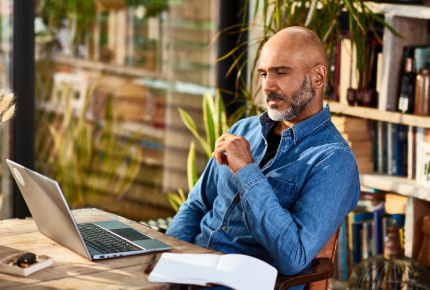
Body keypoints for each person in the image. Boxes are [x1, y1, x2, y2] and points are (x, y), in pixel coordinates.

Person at [166, 26, 360, 288]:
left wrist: (246, 169)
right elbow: (196, 206)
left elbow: (294, 256)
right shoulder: (242, 130)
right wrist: (169, 256)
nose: (267, 86)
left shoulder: (334, 160)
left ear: (318, 76)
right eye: (264, 74)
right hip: (187, 274)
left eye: (281, 72)